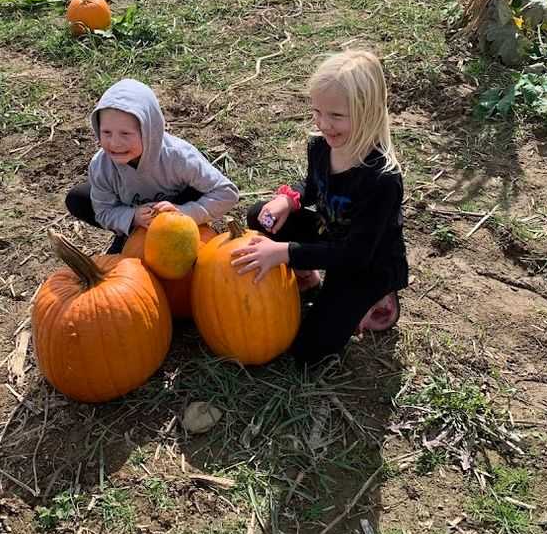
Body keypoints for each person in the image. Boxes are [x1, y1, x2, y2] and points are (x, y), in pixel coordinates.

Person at [231, 49, 407, 366]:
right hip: (329, 233)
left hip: (365, 265)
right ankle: (309, 278)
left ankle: (377, 298)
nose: (324, 124)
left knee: (309, 354)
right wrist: (289, 199)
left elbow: (354, 255)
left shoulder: (382, 180)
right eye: (317, 112)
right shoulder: (321, 146)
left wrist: (284, 252)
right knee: (262, 216)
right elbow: (313, 186)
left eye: (336, 116)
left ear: (368, 111)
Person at [66, 78, 238, 251]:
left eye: (125, 133)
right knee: (78, 198)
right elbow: (103, 212)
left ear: (149, 131)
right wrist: (132, 217)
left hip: (180, 213)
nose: (115, 143)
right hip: (138, 220)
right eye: (106, 132)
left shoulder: (178, 156)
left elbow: (227, 193)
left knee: (199, 188)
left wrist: (184, 213)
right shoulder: (101, 166)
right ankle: (130, 235)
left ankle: (193, 232)